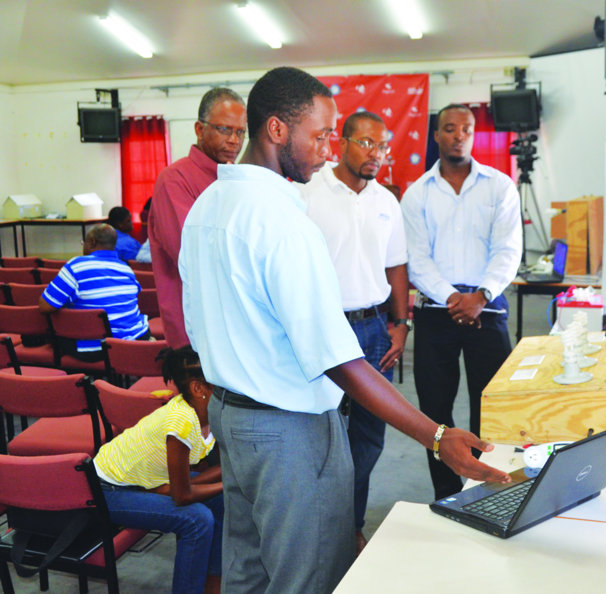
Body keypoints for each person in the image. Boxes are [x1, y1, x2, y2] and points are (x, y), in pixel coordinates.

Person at [179, 66, 510, 594]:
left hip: (230, 417)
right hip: (289, 431)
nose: (327, 148)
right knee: (306, 573)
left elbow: (196, 323)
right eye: (320, 134)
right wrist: (438, 435)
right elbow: (339, 360)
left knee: (246, 570)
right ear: (277, 130)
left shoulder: (206, 207)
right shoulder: (283, 222)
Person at [299, 111, 409, 554]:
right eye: (366, 143)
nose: (375, 154)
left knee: (369, 434)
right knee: (321, 433)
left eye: (382, 147)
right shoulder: (308, 191)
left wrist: (400, 325)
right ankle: (322, 528)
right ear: (342, 142)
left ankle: (349, 521)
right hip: (325, 327)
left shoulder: (386, 201)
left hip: (374, 328)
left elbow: (396, 264)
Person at [401, 103, 523, 501]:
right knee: (436, 414)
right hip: (437, 312)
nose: (458, 135)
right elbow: (416, 259)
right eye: (449, 129)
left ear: (473, 135)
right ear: (436, 136)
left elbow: (508, 249)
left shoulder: (499, 186)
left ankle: (487, 489)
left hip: (486, 311)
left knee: (492, 406)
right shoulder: (417, 194)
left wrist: (480, 295)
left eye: (466, 129)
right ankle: (448, 494)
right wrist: (455, 298)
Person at [93, 346, 223, 594]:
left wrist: (231, 478)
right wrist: (233, 481)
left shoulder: (208, 413)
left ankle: (212, 586)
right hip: (108, 489)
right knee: (197, 519)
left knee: (221, 499)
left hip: (149, 482)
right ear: (199, 389)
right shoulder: (183, 422)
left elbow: (187, 484)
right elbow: (182, 495)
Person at [149, 87, 246, 348]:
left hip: (234, 325)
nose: (234, 140)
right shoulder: (175, 179)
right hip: (195, 330)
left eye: (240, 132)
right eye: (225, 129)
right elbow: (192, 255)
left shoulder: (236, 179)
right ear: (199, 129)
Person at [38, 223, 150, 362]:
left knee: (51, 331)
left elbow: (45, 306)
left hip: (96, 349)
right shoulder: (127, 269)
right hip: (134, 340)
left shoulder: (77, 265)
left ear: (92, 242)